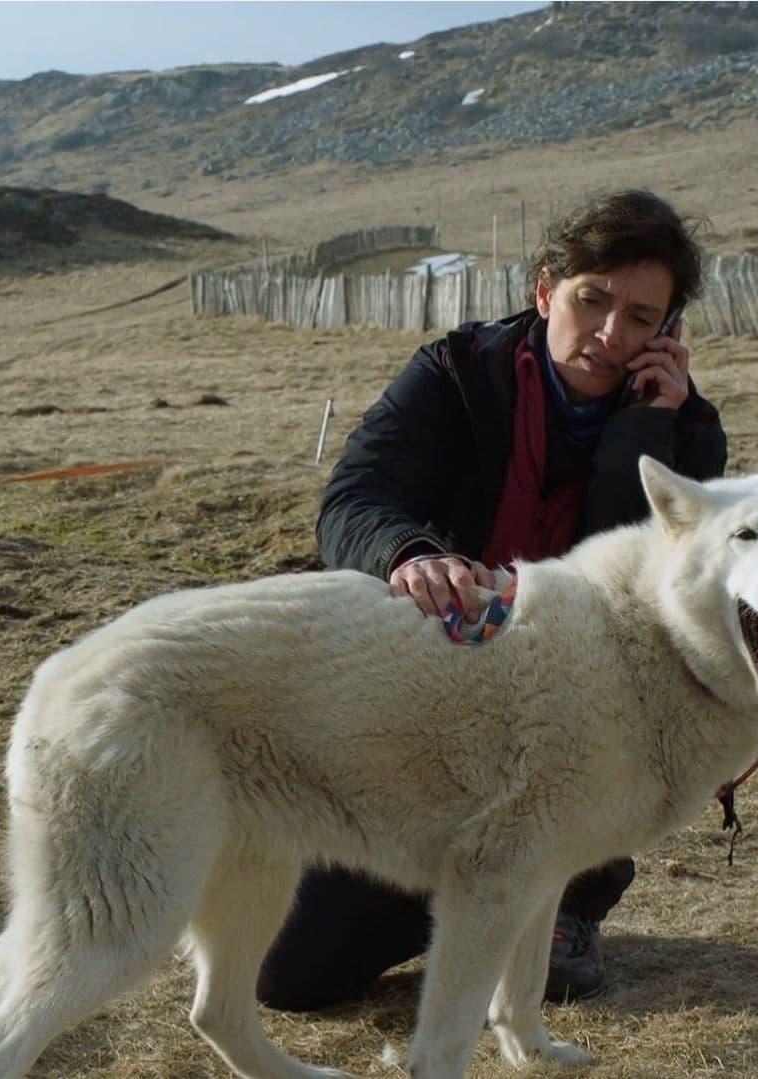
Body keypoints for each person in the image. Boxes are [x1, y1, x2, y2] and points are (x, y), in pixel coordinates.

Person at [257, 189, 728, 1011]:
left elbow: (671, 596)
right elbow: (354, 498)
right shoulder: (455, 374)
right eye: (592, 300)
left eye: (643, 318)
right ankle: (474, 888)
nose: (613, 335)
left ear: (670, 332)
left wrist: (646, 429)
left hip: (580, 723)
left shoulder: (685, 431)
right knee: (290, 975)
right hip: (431, 696)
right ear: (546, 289)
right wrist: (410, 555)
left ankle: (571, 897)